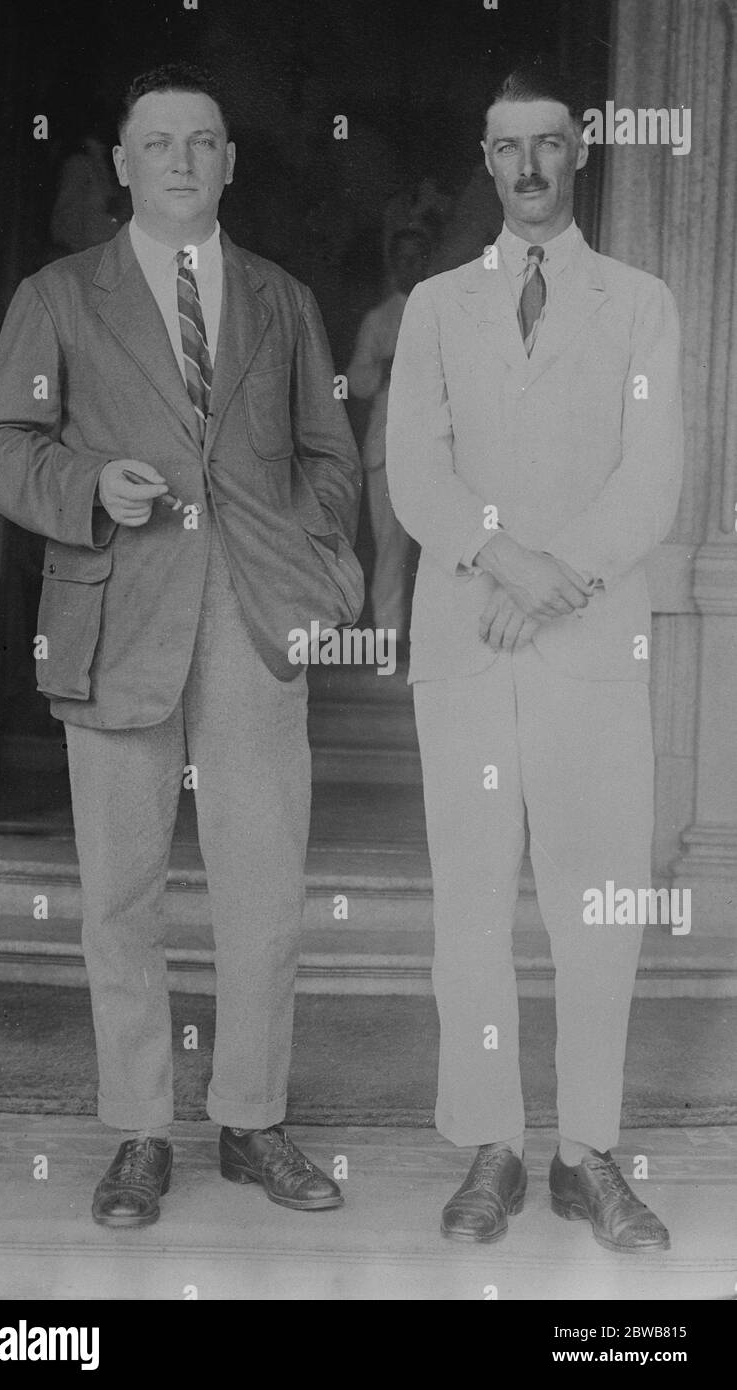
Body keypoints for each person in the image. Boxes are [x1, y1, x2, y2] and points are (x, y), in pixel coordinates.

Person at [0, 63, 363, 1228]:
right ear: (125, 163)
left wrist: (318, 568)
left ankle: (251, 1120)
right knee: (120, 898)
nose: (182, 159)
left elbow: (331, 457)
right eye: (158, 142)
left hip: (250, 622)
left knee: (264, 892)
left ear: (229, 163)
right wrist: (90, 481)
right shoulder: (58, 295)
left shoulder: (284, 300)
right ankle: (141, 1131)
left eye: (203, 141)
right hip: (119, 620)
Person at [386, 61, 683, 1251]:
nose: (529, 168)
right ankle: (494, 1150)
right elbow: (417, 473)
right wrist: (510, 565)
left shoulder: (640, 300)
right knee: (471, 905)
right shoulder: (437, 304)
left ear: (581, 151)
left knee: (594, 908)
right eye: (507, 148)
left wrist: (556, 584)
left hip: (591, 647)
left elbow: (650, 475)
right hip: (469, 647)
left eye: (550, 145)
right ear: (486, 158)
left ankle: (588, 1154)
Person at [347, 228, 430, 642]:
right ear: (393, 264)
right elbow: (356, 382)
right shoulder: (378, 320)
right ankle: (389, 638)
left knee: (439, 550)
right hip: (386, 446)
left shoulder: (443, 311)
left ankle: (434, 640)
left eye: (417, 258)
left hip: (436, 450)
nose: (409, 267)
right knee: (391, 550)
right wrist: (387, 366)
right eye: (403, 259)